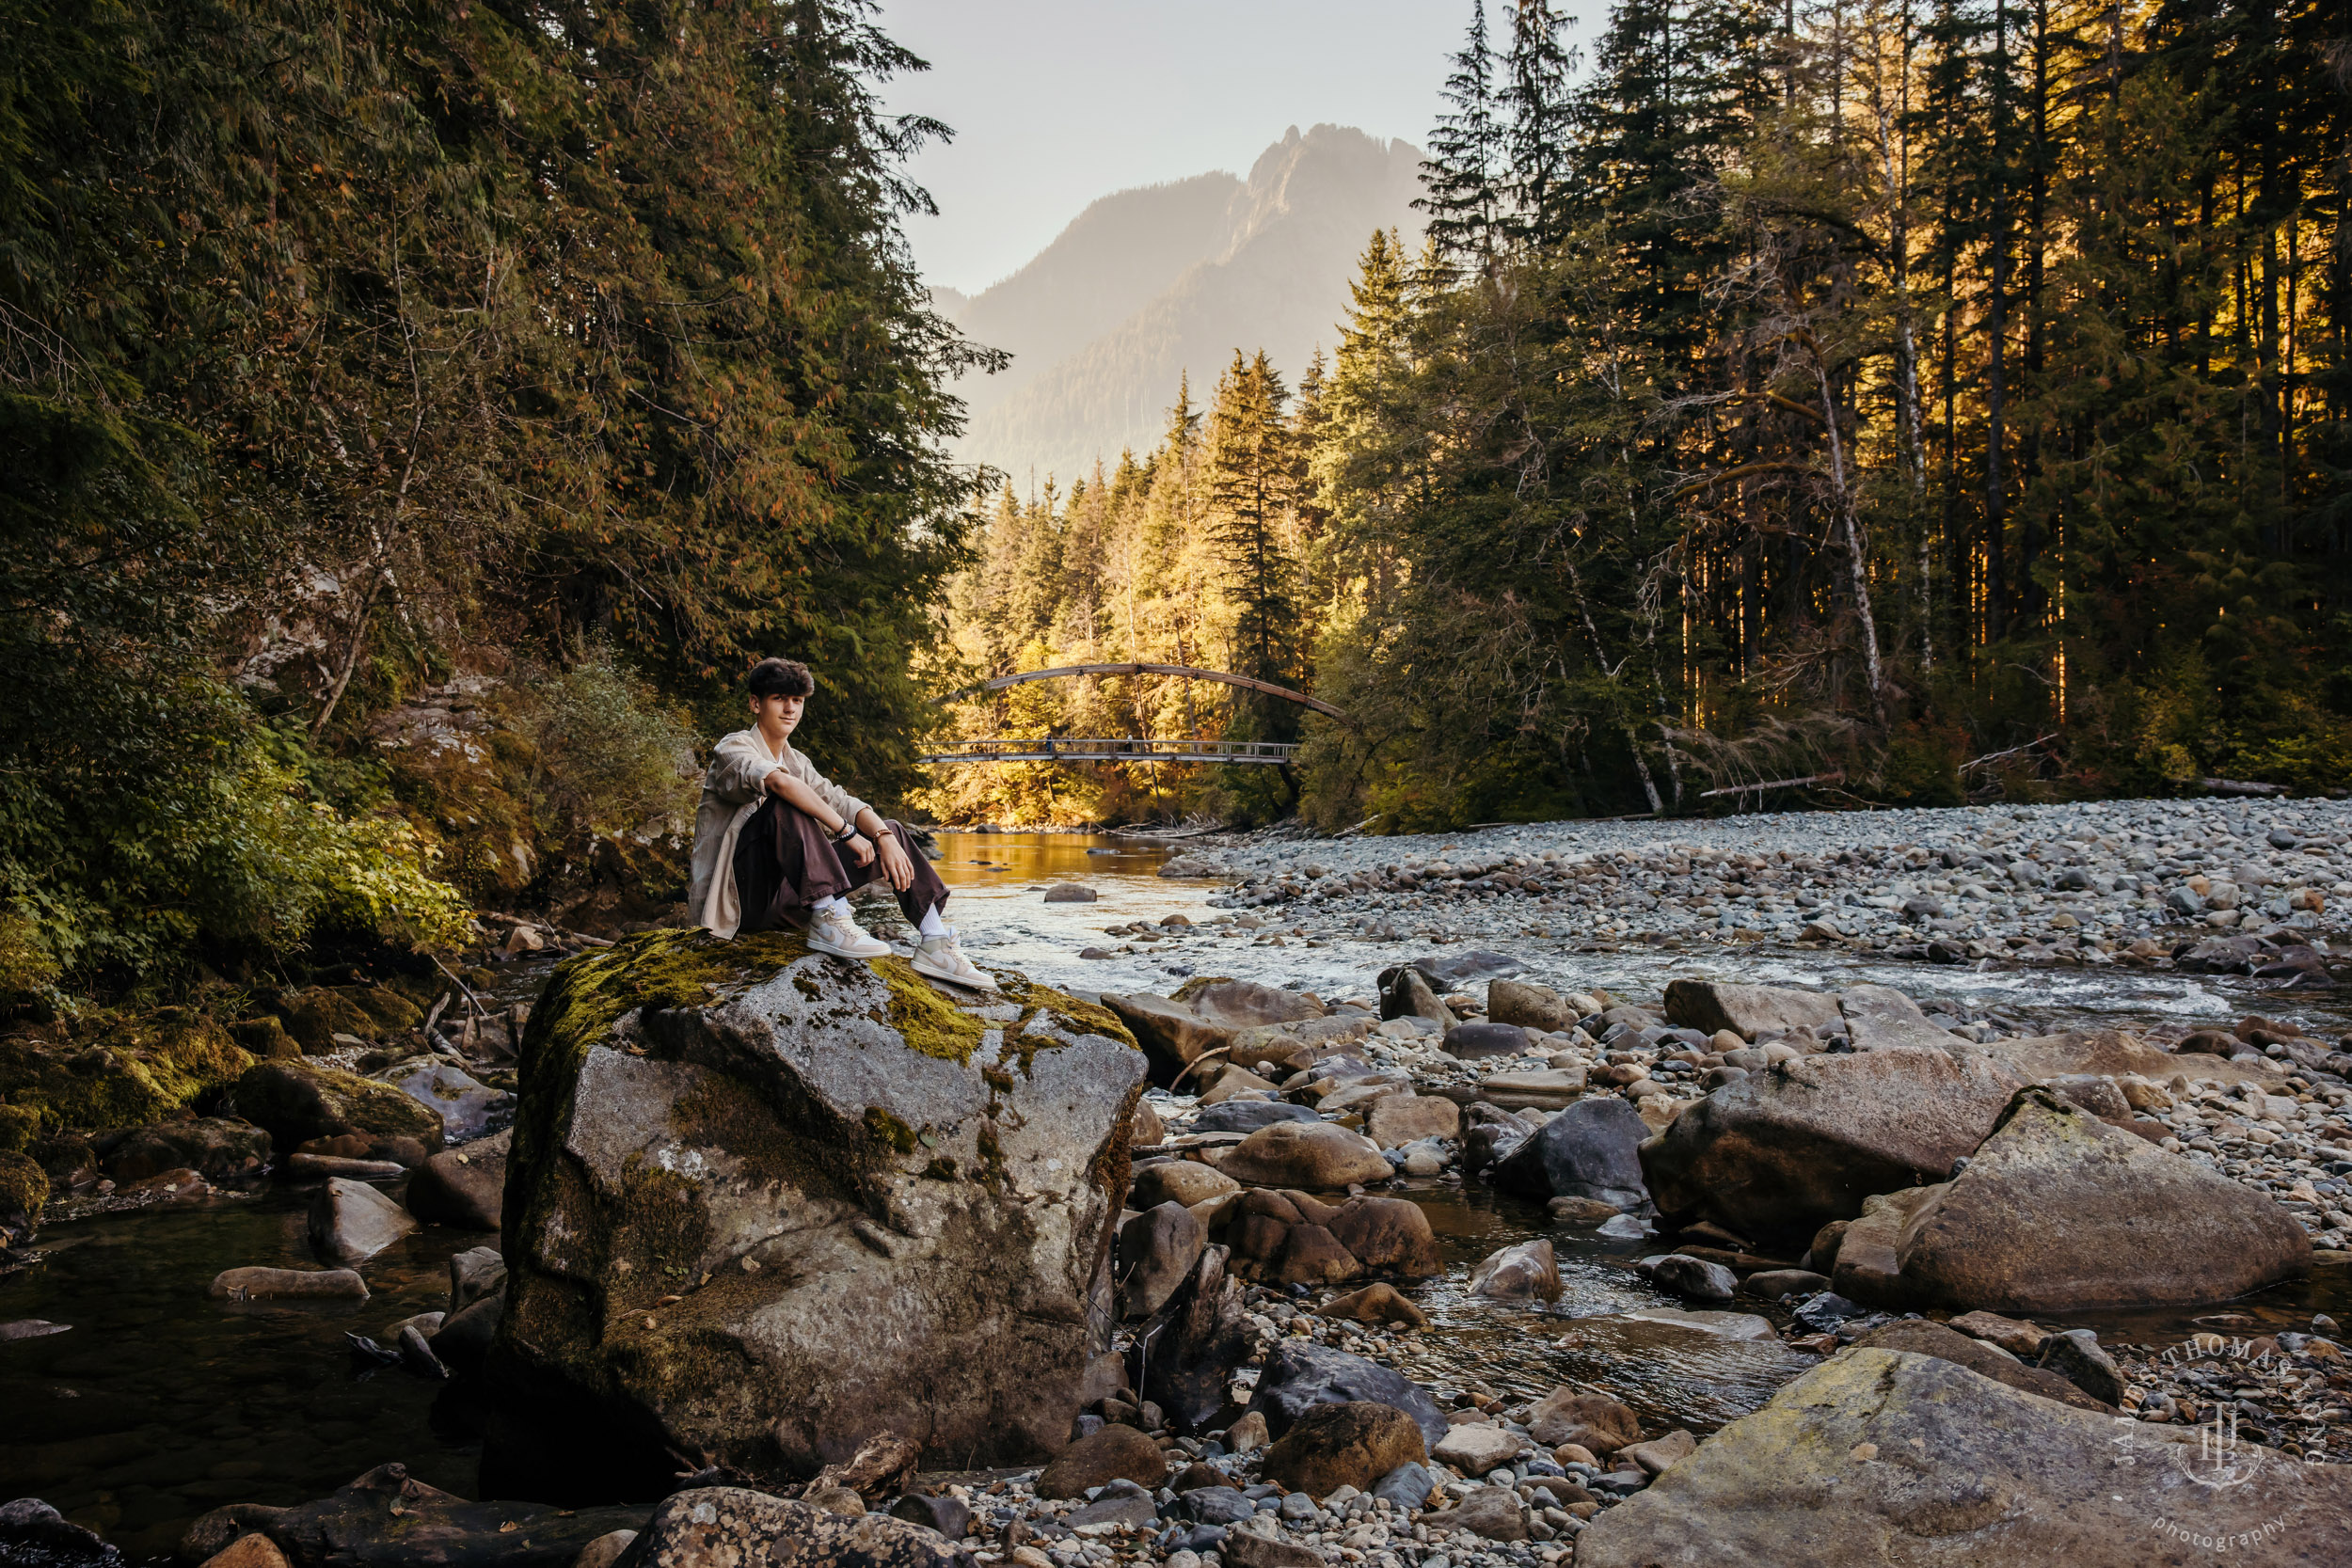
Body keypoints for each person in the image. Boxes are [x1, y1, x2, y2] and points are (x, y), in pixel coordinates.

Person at [687, 657, 996, 991]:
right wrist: (846, 832)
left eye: (797, 700)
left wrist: (883, 837)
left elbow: (844, 802)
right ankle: (828, 917)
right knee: (786, 801)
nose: (790, 709)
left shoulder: (796, 761)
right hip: (739, 904)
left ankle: (935, 942)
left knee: (891, 829)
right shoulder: (734, 747)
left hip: (786, 901)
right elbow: (779, 784)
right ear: (755, 704)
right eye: (779, 698)